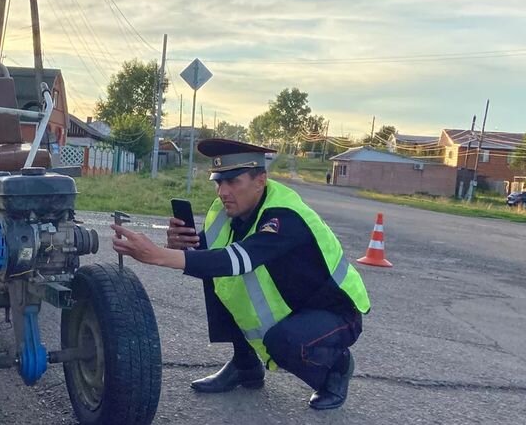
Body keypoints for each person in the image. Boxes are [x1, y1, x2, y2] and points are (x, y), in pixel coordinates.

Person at [110, 138, 370, 410]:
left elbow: (240, 260)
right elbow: (206, 258)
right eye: (219, 182)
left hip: (333, 313)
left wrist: (158, 256)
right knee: (214, 274)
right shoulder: (228, 212)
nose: (223, 191)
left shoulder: (285, 215)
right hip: (291, 306)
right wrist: (177, 245)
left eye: (233, 181)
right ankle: (245, 365)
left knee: (283, 342)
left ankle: (337, 368)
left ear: (260, 180)